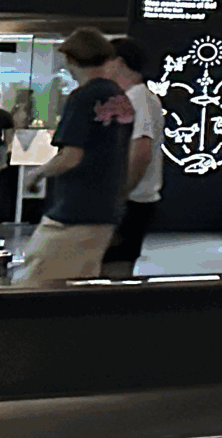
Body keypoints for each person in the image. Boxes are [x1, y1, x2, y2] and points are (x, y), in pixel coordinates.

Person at [23, 28, 134, 285]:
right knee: (78, 281)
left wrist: (37, 173)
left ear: (71, 59)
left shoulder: (83, 98)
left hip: (74, 210)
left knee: (36, 280)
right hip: (105, 208)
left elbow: (71, 156)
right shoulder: (120, 98)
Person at [100, 37, 164, 279]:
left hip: (131, 202)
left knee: (115, 269)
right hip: (129, 200)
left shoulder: (139, 98)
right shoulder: (134, 98)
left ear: (118, 62)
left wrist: (119, 195)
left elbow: (141, 150)